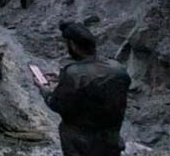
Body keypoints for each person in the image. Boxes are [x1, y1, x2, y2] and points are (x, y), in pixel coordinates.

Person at [34, 21, 131, 156]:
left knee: (67, 128)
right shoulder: (117, 68)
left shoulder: (74, 74)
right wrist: (62, 79)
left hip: (82, 143)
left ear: (72, 45)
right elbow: (96, 83)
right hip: (111, 139)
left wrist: (43, 88)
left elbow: (56, 104)